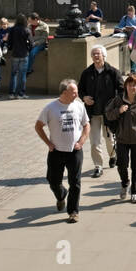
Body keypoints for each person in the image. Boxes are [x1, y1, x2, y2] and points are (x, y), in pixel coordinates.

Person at [36, 79, 90, 223]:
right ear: (64, 92)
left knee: (75, 182)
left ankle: (73, 212)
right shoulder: (50, 108)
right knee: (53, 181)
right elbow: (38, 126)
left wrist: (82, 141)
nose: (77, 94)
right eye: (74, 92)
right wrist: (48, 143)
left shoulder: (79, 106)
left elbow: (86, 125)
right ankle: (61, 195)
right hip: (56, 151)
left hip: (75, 151)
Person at [106, 74, 136, 202]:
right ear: (125, 86)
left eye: (134, 85)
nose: (131, 87)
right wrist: (119, 111)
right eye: (129, 85)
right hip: (121, 139)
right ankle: (125, 183)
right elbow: (108, 114)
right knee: (122, 165)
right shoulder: (118, 100)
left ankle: (134, 192)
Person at [78, 45, 122, 178]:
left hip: (108, 113)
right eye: (93, 54)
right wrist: (84, 98)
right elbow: (81, 90)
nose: (96, 56)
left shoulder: (113, 72)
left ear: (104, 55)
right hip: (93, 113)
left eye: (98, 54)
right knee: (95, 141)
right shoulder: (86, 73)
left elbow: (121, 90)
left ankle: (113, 155)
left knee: (109, 140)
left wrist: (115, 104)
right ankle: (98, 166)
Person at [4, 16, 32, 99]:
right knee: (22, 75)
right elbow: (31, 42)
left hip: (15, 53)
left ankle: (11, 93)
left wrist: (10, 48)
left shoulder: (13, 29)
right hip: (24, 54)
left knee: (14, 74)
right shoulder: (26, 30)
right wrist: (28, 49)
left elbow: (9, 41)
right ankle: (21, 93)